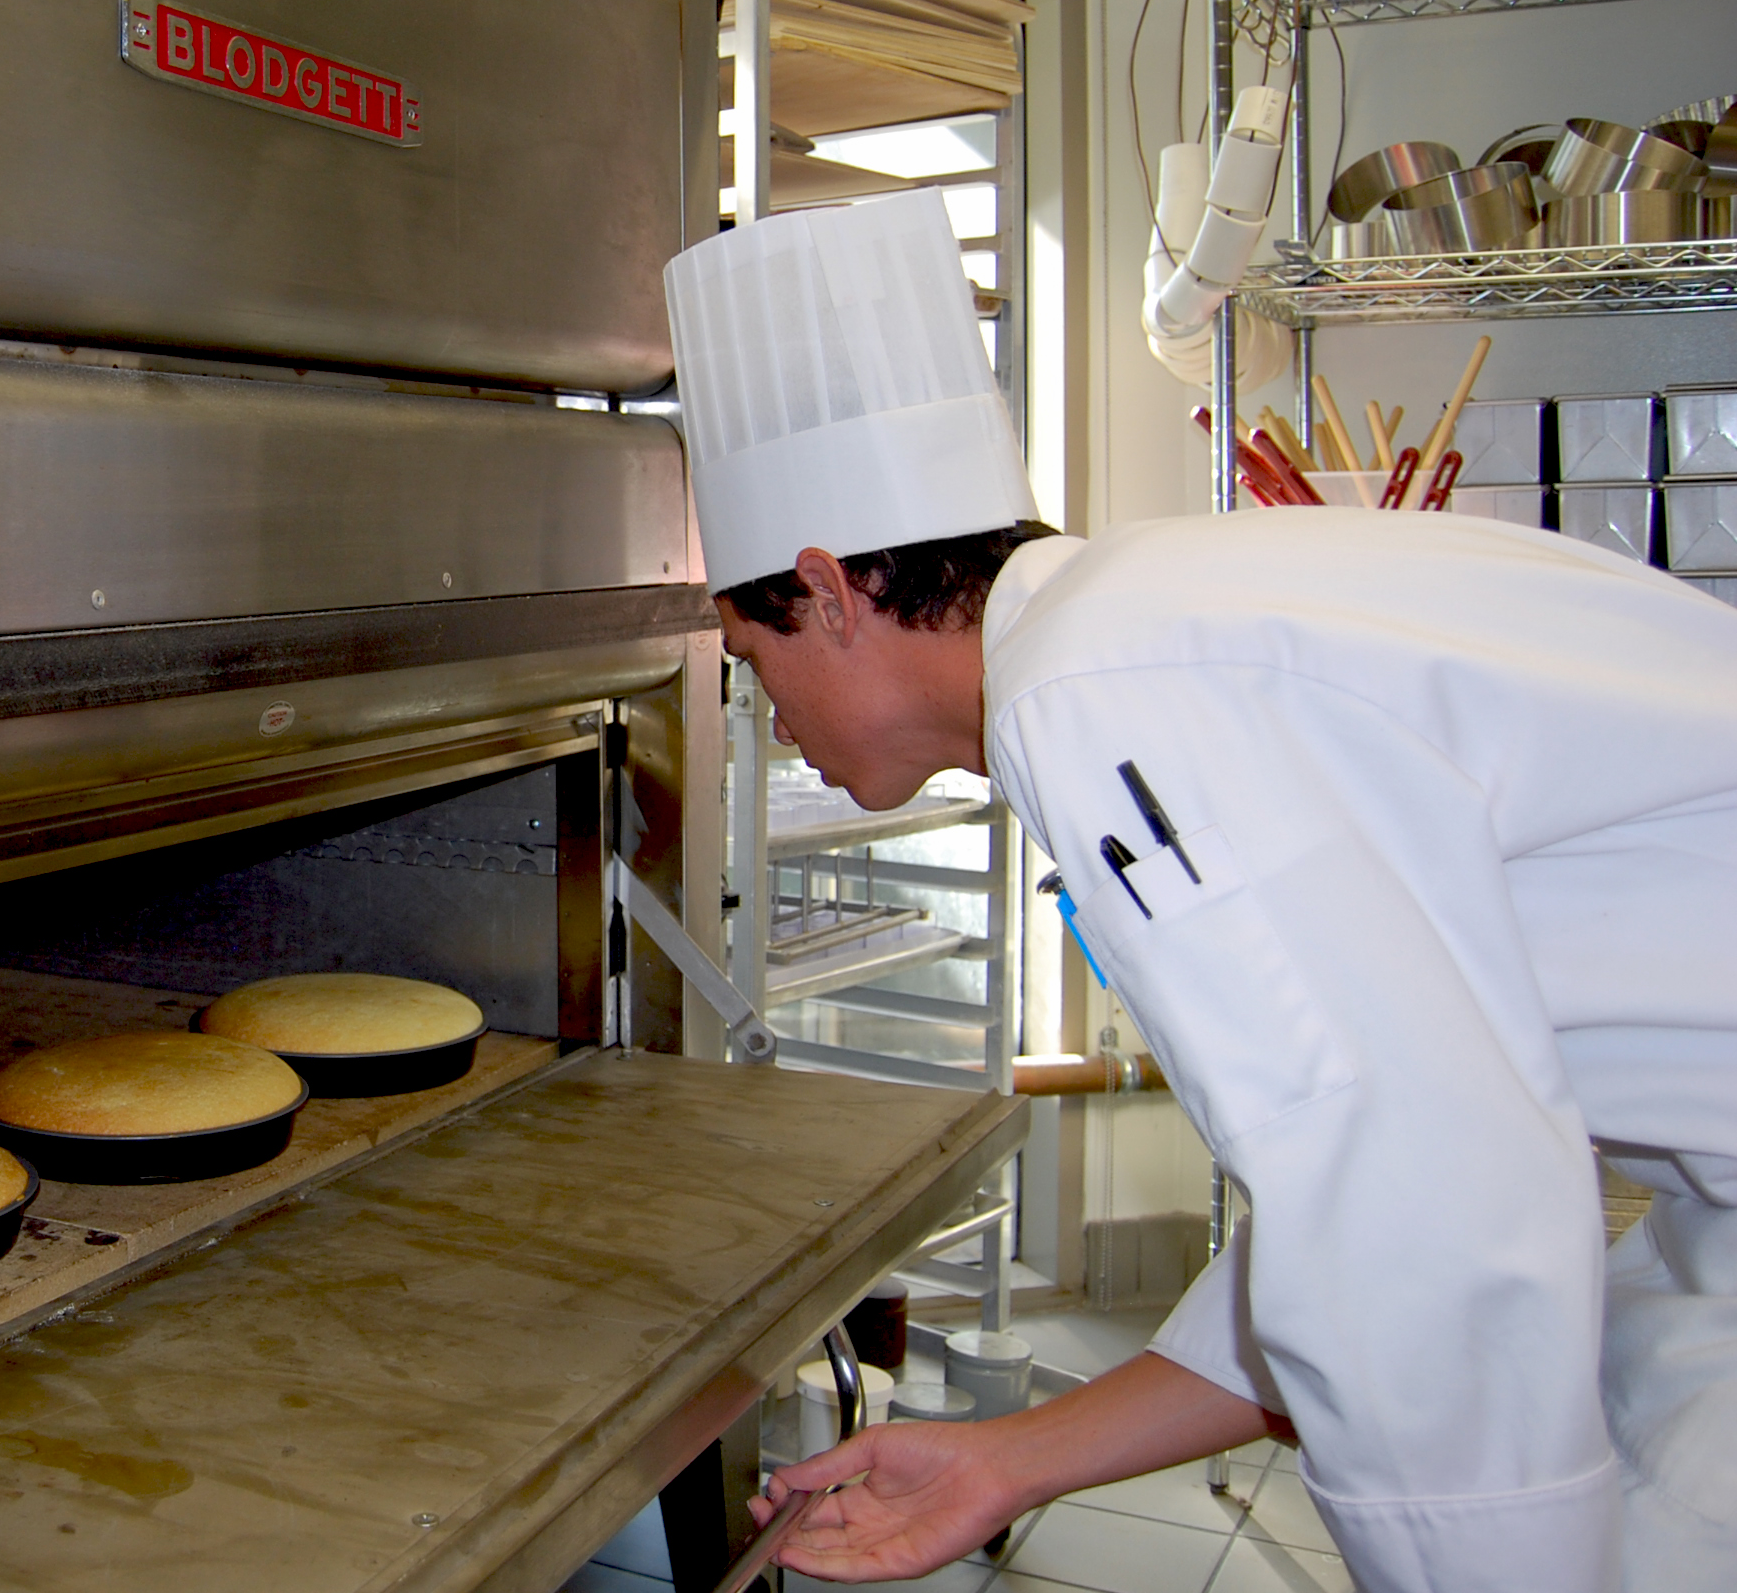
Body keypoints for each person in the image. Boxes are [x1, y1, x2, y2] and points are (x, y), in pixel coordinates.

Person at [662, 191, 1737, 1591]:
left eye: (754, 659)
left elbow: (1417, 1213)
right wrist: (1008, 1459)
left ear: (831, 587)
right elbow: (1364, 1184)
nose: (768, 713)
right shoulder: (1142, 620)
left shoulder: (1104, 696)